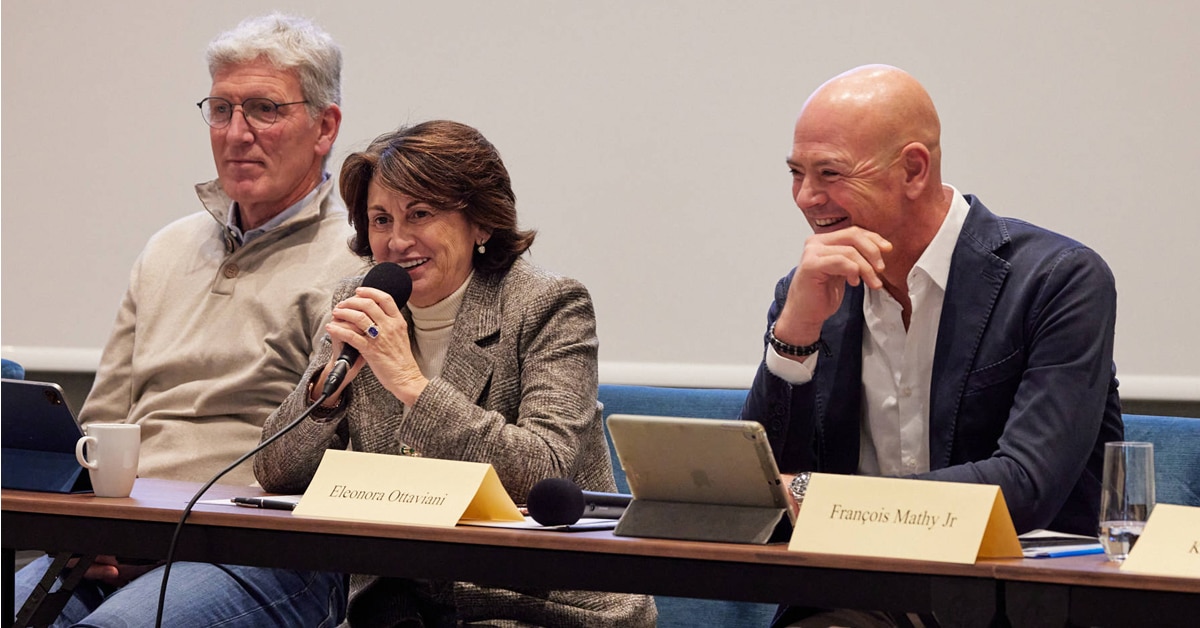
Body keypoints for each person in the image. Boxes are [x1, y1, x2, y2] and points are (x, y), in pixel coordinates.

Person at [740, 65, 1122, 627]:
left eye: (830, 173)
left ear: (913, 169)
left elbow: (1026, 483)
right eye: (796, 173)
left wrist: (829, 501)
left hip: (1012, 600)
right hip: (853, 602)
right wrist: (793, 335)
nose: (806, 197)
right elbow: (759, 492)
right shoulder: (812, 292)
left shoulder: (1058, 280)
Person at [13, 13, 362, 626]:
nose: (236, 133)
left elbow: (343, 447)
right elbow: (102, 419)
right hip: (120, 540)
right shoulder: (168, 249)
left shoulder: (358, 259)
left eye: (263, 109)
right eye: (221, 109)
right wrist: (91, 517)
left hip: (261, 550)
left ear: (324, 126)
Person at [254, 120, 658, 627]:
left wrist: (412, 385)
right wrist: (326, 395)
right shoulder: (360, 304)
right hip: (401, 605)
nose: (397, 241)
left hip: (540, 605)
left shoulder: (547, 306)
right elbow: (275, 474)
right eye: (380, 220)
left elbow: (543, 468)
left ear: (482, 223)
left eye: (419, 214)